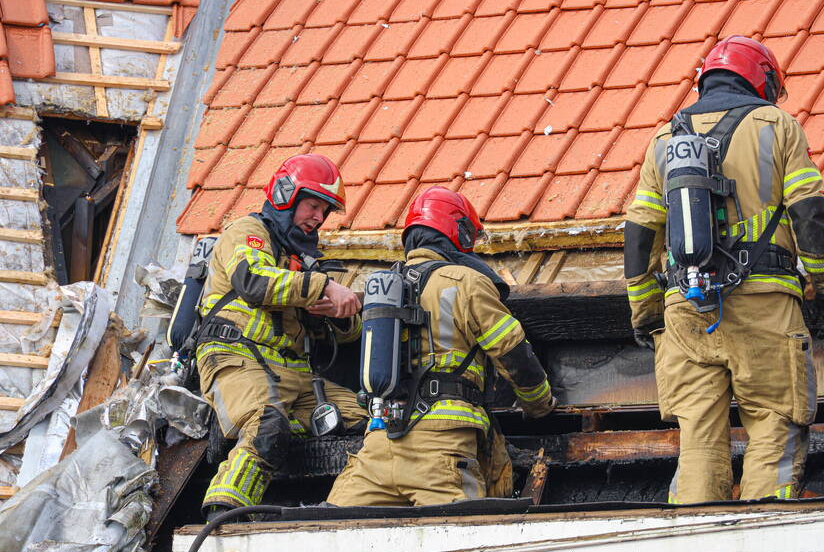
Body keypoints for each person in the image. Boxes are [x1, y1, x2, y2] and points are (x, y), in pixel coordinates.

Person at [624, 35, 824, 504]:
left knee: (700, 435)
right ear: (762, 81)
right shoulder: (776, 125)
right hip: (765, 304)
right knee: (775, 421)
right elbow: (809, 215)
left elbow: (641, 232)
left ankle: (693, 548)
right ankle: (765, 541)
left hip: (685, 308)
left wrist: (644, 311)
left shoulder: (664, 139)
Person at [327, 187, 556, 506]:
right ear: (459, 233)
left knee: (329, 534)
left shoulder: (385, 286)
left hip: (377, 449)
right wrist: (540, 404)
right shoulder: (467, 282)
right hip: (441, 450)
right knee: (464, 542)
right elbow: (512, 350)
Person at [197, 153, 367, 519]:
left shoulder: (304, 263)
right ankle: (225, 513)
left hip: (297, 377)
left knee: (367, 419)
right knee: (267, 425)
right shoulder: (247, 232)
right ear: (286, 194)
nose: (319, 218)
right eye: (313, 205)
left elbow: (346, 337)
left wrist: (338, 315)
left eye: (325, 211)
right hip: (238, 359)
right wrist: (322, 286)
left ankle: (349, 505)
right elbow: (253, 281)